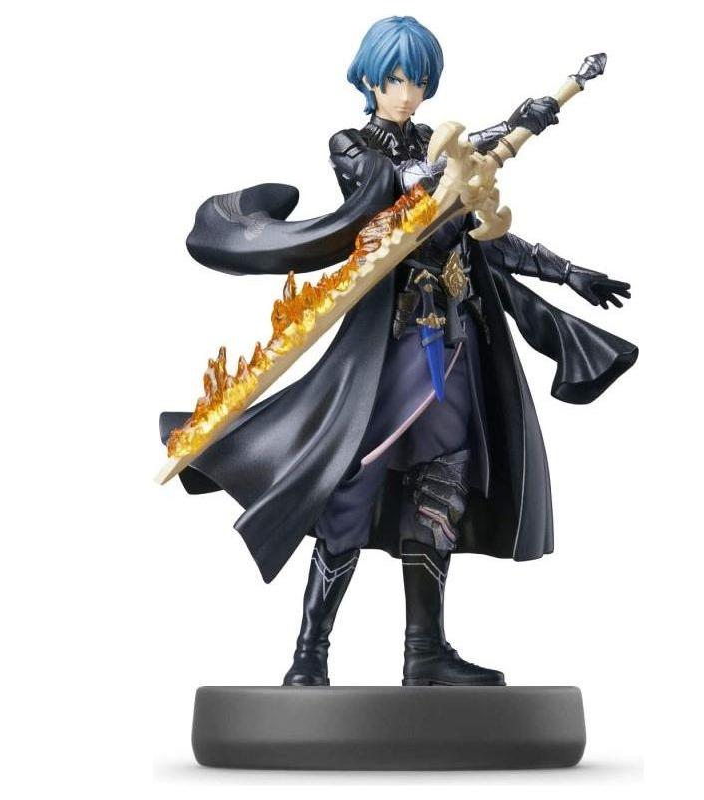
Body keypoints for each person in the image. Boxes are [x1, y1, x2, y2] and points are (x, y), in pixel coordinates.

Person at [161, 16, 637, 687]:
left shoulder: (439, 144)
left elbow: (477, 231)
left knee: (441, 488)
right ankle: (309, 655)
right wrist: (504, 130)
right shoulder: (355, 146)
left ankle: (426, 652)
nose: (407, 94)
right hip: (389, 352)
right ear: (369, 80)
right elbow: (409, 193)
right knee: (351, 485)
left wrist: (567, 272)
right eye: (393, 80)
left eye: (417, 81)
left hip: (454, 344)